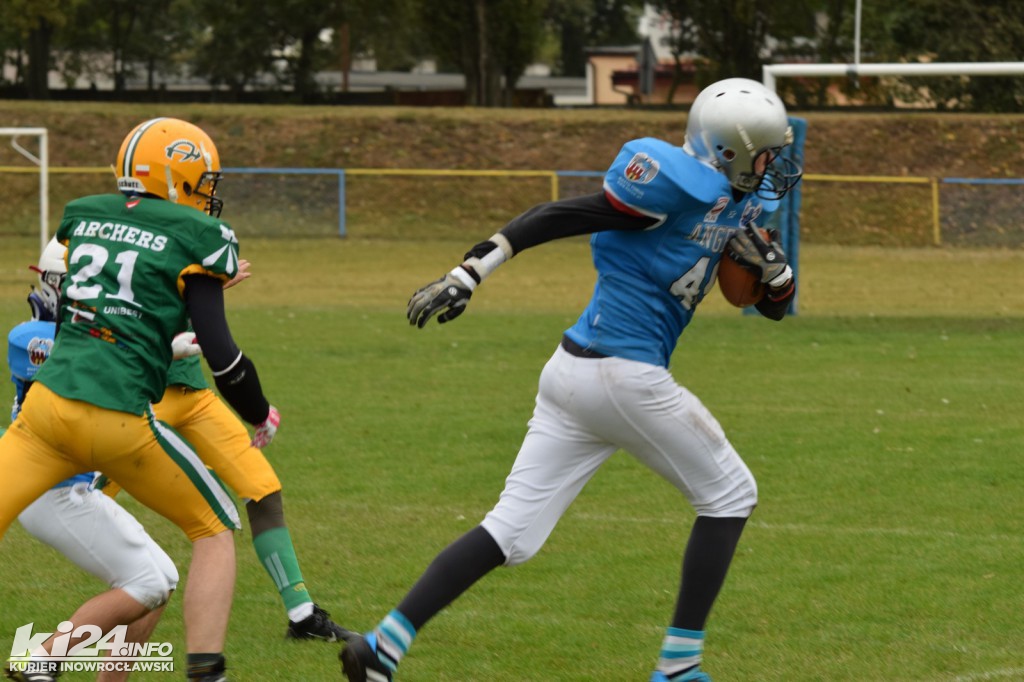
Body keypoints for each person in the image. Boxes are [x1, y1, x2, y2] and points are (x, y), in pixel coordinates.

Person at [340, 78, 803, 682]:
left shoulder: (736, 202)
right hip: (623, 373)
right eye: (766, 153)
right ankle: (678, 667)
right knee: (731, 495)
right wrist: (471, 271)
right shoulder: (674, 182)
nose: (774, 166)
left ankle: (382, 647)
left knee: (511, 533)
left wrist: (779, 272)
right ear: (730, 151)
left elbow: (763, 304)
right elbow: (556, 215)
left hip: (571, 375)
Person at [0, 116, 280, 682]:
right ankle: (206, 671)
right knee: (214, 528)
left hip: (45, 414)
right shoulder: (200, 237)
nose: (208, 194)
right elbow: (221, 358)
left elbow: (121, 295)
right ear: (177, 177)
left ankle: (50, 661)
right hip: (117, 418)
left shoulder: (82, 213)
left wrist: (179, 283)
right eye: (203, 182)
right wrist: (257, 410)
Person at [5, 246, 178, 682]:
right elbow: (85, 356)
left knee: (163, 578)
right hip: (50, 493)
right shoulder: (31, 335)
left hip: (71, 489)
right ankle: (43, 658)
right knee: (146, 583)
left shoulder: (86, 336)